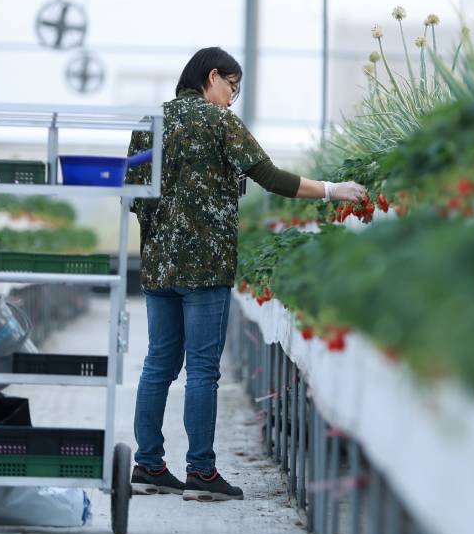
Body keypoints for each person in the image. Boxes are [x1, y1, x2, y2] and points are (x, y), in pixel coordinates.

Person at [124, 47, 364, 501]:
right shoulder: (220, 124)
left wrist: (164, 234)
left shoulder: (149, 124)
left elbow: (134, 193)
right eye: (232, 87)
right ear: (211, 77)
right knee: (201, 369)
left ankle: (149, 464)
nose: (232, 99)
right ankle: (202, 472)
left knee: (159, 364)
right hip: (207, 266)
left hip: (159, 265)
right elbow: (270, 177)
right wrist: (332, 190)